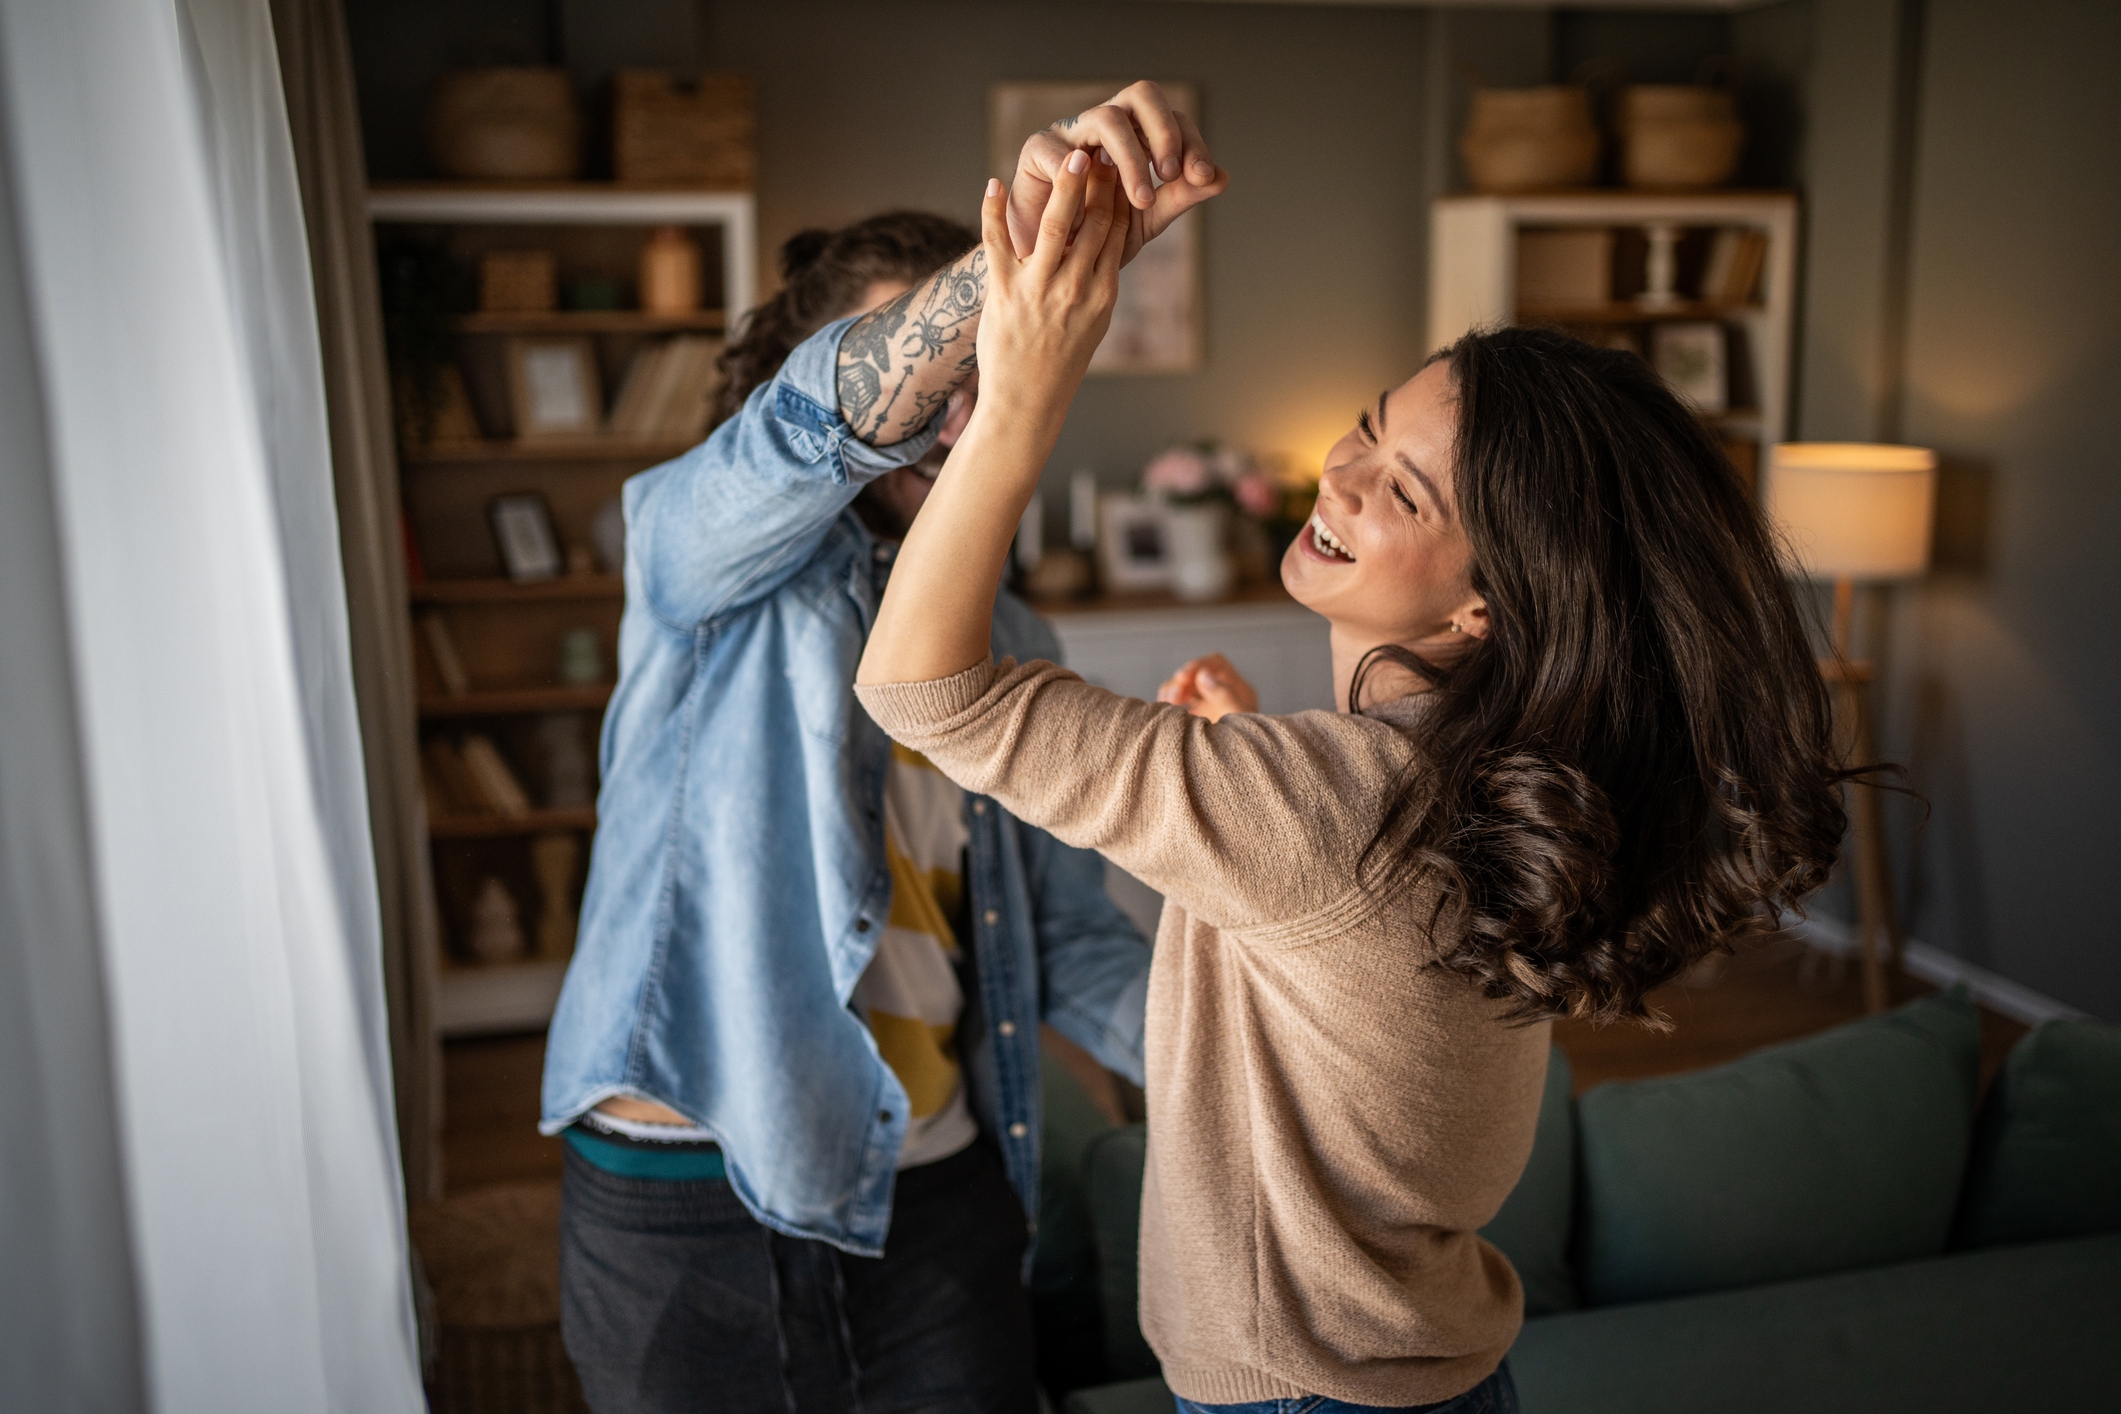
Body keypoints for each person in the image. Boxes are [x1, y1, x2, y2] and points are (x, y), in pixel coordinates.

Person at [853, 154, 1849, 1413]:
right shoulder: (1506, 786)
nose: (1340, 475)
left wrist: (1022, 390)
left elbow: (922, 690)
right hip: (1432, 1372)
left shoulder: (1331, 810)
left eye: (1404, 490)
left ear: (1490, 605)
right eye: (1370, 427)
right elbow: (1347, 928)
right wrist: (1253, 756)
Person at [539, 85, 1229, 1414]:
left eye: (985, 379)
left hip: (938, 1182)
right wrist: (1018, 263)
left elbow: (1064, 936)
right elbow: (812, 426)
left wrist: (1274, 1050)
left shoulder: (1013, 633)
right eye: (935, 375)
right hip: (692, 1182)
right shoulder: (706, 557)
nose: (956, 418)